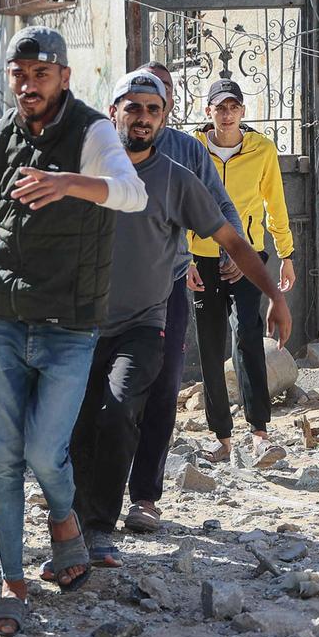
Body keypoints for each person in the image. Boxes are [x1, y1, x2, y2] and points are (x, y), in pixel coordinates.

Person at [67, 70, 292, 571]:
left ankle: (123, 510)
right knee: (80, 420)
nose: (143, 117)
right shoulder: (86, 165)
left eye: (154, 108)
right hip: (84, 320)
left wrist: (273, 292)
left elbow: (226, 225)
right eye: (134, 107)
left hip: (151, 308)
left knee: (135, 402)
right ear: (113, 111)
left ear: (166, 114)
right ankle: (75, 519)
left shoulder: (178, 168)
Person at [0, 26, 148, 637]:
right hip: (4, 321)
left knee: (46, 452)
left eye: (40, 75)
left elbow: (132, 194)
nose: (28, 86)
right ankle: (12, 582)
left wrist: (68, 182)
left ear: (64, 77)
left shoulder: (94, 132)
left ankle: (66, 519)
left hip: (69, 326)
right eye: (19, 75)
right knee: (3, 458)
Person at [123, 62, 243, 534]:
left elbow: (218, 205)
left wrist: (234, 248)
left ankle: (145, 496)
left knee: (163, 386)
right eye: (140, 99)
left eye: (163, 95)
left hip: (168, 284)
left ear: (168, 104)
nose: (151, 108)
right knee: (105, 393)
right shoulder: (102, 150)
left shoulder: (186, 151)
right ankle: (93, 495)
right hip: (108, 290)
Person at [188, 79, 297, 466]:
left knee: (248, 335)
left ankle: (260, 435)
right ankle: (222, 437)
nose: (227, 114)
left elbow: (274, 205)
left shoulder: (261, 150)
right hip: (201, 258)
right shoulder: (193, 149)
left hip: (247, 257)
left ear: (243, 112)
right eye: (220, 107)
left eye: (233, 107)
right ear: (209, 112)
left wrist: (286, 254)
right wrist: (184, 258)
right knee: (210, 345)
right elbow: (177, 201)